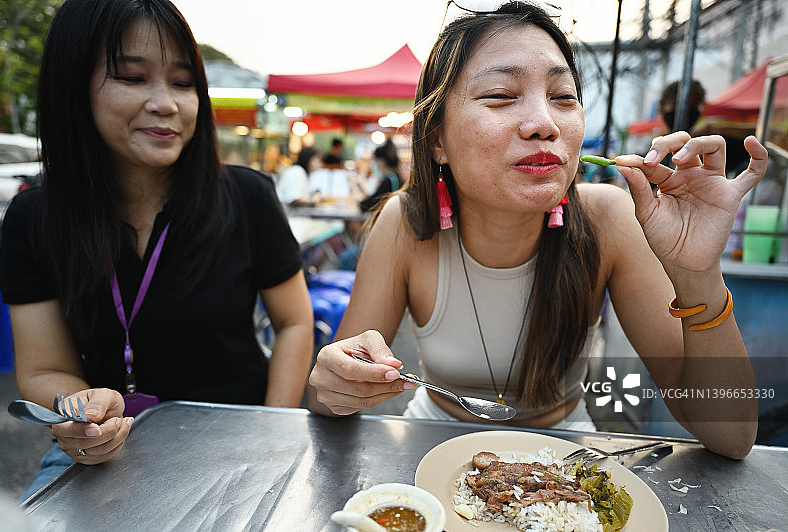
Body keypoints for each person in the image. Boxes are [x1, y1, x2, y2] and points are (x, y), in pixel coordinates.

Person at [306, 1, 767, 460]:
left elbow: (731, 436)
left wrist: (698, 272)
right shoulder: (406, 222)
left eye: (563, 97)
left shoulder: (610, 218)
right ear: (437, 140)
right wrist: (333, 384)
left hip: (567, 460)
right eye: (502, 95)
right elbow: (330, 400)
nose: (545, 124)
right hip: (430, 452)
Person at [0, 0, 314, 498]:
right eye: (132, 77)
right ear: (72, 86)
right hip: (109, 450)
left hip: (237, 434)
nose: (166, 102)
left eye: (184, 82)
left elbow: (295, 324)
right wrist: (82, 414)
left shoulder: (247, 196)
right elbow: (41, 369)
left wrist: (269, 429)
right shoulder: (35, 218)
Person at [659, 79, 749, 175]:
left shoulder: (713, 147)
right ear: (661, 109)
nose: (687, 112)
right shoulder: (655, 151)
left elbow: (757, 138)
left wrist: (716, 129)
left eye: (693, 106)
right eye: (677, 104)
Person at [359, 139, 403, 212]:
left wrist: (360, 204)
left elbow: (374, 202)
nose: (376, 165)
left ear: (381, 161)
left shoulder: (391, 179)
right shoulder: (395, 177)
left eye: (376, 161)